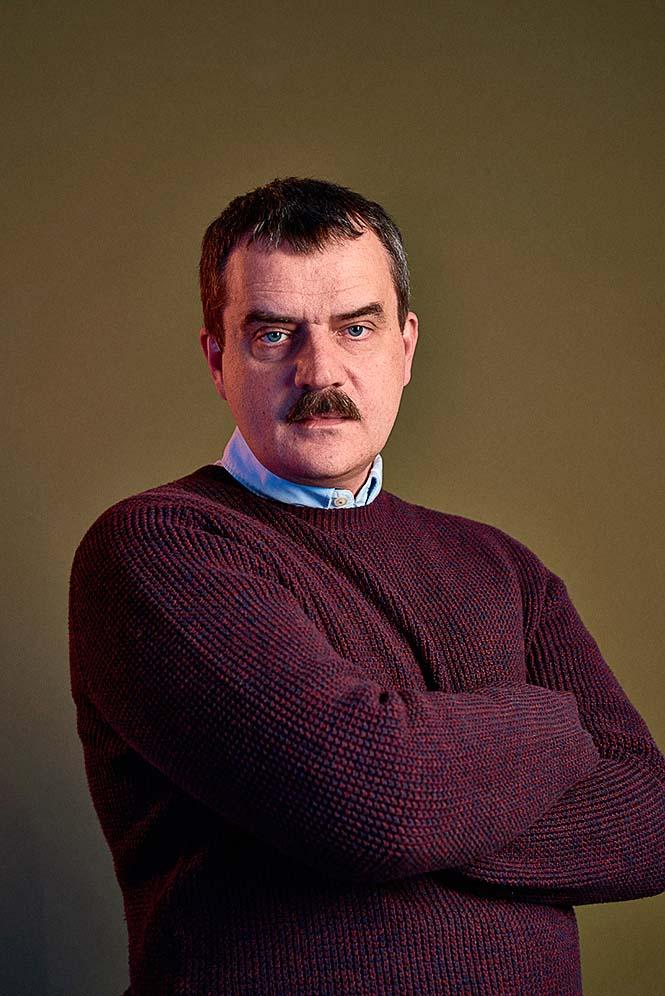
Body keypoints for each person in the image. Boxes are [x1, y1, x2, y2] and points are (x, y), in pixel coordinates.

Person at [68, 176, 665, 995]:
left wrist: (418, 796)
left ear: (405, 347)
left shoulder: (500, 564)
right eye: (274, 334)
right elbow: (375, 801)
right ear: (217, 359)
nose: (321, 369)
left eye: (356, 327)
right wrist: (554, 723)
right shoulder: (158, 546)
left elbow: (645, 818)